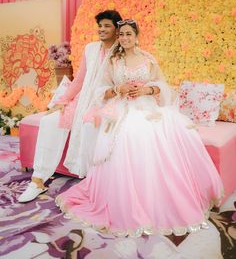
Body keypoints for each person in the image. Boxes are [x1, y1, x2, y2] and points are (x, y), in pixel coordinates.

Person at [55, 19, 223, 237]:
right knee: (129, 133)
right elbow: (100, 91)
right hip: (123, 108)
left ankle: (157, 198)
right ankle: (128, 201)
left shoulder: (148, 60)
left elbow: (164, 87)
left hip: (148, 108)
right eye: (121, 34)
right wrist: (118, 88)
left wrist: (148, 90)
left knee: (167, 132)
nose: (124, 38)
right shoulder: (113, 61)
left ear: (136, 36)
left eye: (128, 34)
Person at [18, 10, 122, 203]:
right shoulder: (90, 49)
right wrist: (63, 101)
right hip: (83, 99)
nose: (102, 29)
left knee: (91, 126)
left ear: (117, 29)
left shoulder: (121, 50)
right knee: (50, 121)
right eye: (100, 26)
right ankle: (37, 180)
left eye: (107, 25)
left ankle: (94, 184)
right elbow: (79, 80)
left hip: (107, 101)